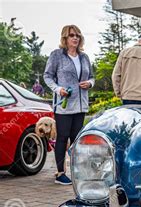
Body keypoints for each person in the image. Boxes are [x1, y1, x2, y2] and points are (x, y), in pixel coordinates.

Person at [44, 24, 94, 185]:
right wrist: (58, 89)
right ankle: (60, 173)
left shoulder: (84, 57)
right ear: (65, 38)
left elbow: (92, 77)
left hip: (81, 105)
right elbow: (47, 76)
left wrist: (90, 84)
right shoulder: (57, 55)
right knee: (62, 138)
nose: (75, 38)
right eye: (72, 35)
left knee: (77, 139)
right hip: (64, 106)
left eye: (78, 35)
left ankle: (78, 172)